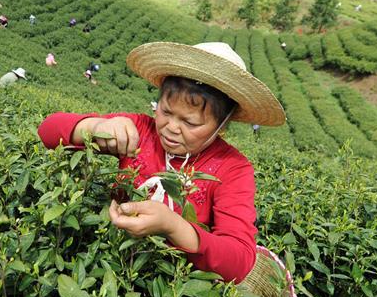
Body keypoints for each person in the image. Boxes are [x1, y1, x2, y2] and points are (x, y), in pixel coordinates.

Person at [37, 41, 286, 283]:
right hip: (109, 266)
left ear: (221, 126)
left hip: (175, 288)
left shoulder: (232, 168)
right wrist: (96, 127)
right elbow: (48, 131)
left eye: (190, 123)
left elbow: (240, 260)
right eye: (165, 111)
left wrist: (173, 227)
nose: (171, 128)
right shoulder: (142, 130)